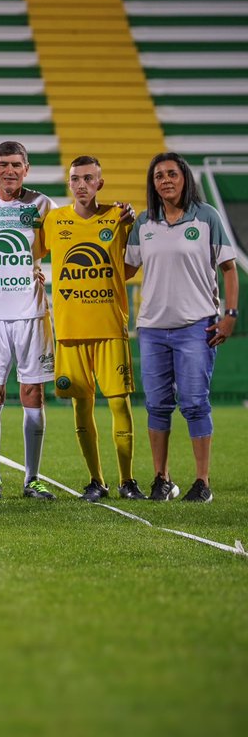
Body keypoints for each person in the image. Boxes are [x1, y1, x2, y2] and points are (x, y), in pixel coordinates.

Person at [125, 152, 237, 503]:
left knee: (194, 403)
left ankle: (202, 482)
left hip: (196, 327)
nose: (166, 180)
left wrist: (230, 314)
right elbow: (125, 270)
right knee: (157, 405)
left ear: (185, 178)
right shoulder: (144, 222)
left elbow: (230, 269)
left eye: (172, 174)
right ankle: (162, 478)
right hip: (153, 329)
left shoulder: (207, 218)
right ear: (153, 184)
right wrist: (113, 227)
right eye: (159, 176)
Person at [40, 156, 142, 501]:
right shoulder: (54, 221)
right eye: (75, 179)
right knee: (81, 409)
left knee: (119, 405)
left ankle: (128, 481)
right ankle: (96, 481)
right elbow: (30, 255)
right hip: (69, 332)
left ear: (100, 182)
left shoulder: (120, 217)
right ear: (69, 184)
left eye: (88, 178)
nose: (81, 185)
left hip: (111, 327)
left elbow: (132, 263)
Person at [0, 142, 57, 501]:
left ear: (27, 169)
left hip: (32, 314)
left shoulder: (43, 205)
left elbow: (57, 245)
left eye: (16, 165)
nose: (10, 171)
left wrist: (38, 273)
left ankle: (32, 478)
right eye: (3, 164)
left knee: (32, 393)